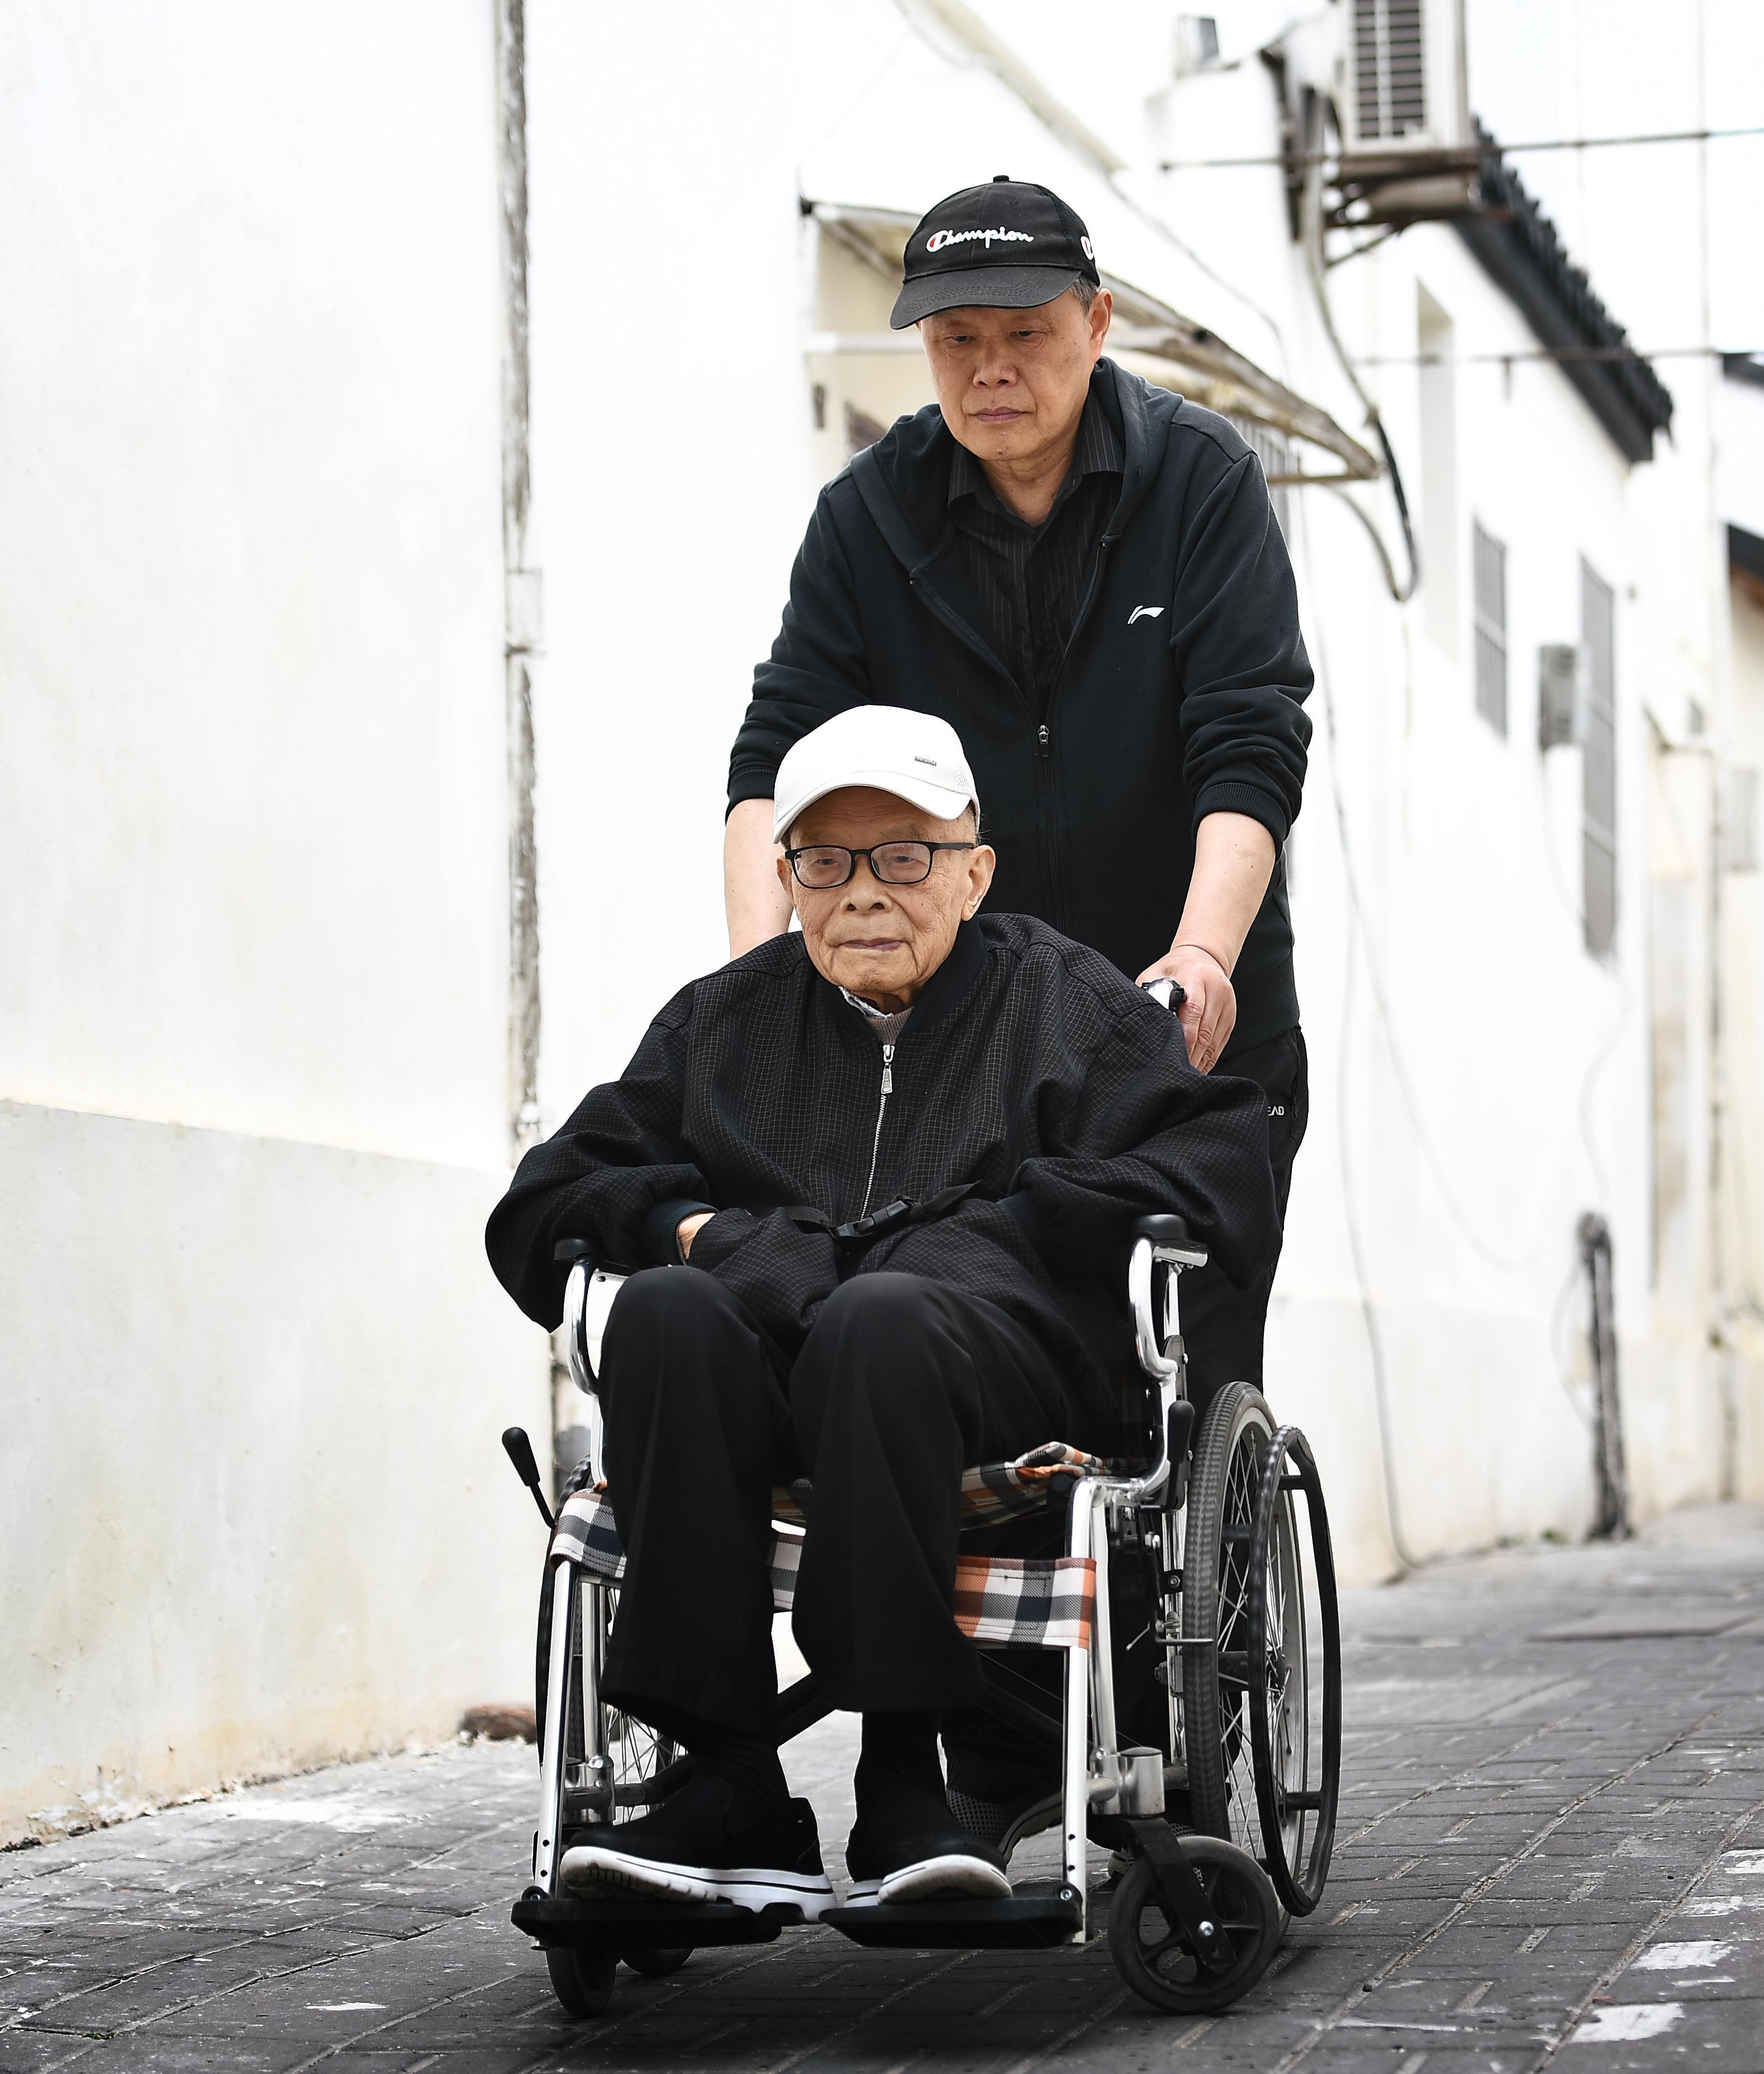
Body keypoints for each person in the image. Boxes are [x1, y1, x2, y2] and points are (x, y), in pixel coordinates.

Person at [484, 706, 1273, 1914]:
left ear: (975, 872)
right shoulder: (725, 1024)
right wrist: (700, 1234)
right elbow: (544, 1200)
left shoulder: (1060, 1001)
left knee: (883, 1318)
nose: (863, 891)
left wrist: (992, 1236)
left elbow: (1219, 1162)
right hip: (777, 1401)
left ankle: (904, 1782)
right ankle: (734, 1785)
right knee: (667, 1315)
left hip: (994, 1388)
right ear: (789, 879)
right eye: (826, 860)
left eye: (905, 856)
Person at [724, 174, 1313, 1411]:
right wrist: (758, 982)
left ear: (1096, 324)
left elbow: (1250, 742)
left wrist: (1204, 955)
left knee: (1187, 1382)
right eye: (956, 339)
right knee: (961, 1358)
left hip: (1186, 1030)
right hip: (969, 1048)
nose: (990, 367)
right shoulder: (867, 517)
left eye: (1025, 333)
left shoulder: (1201, 481)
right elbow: (778, 757)